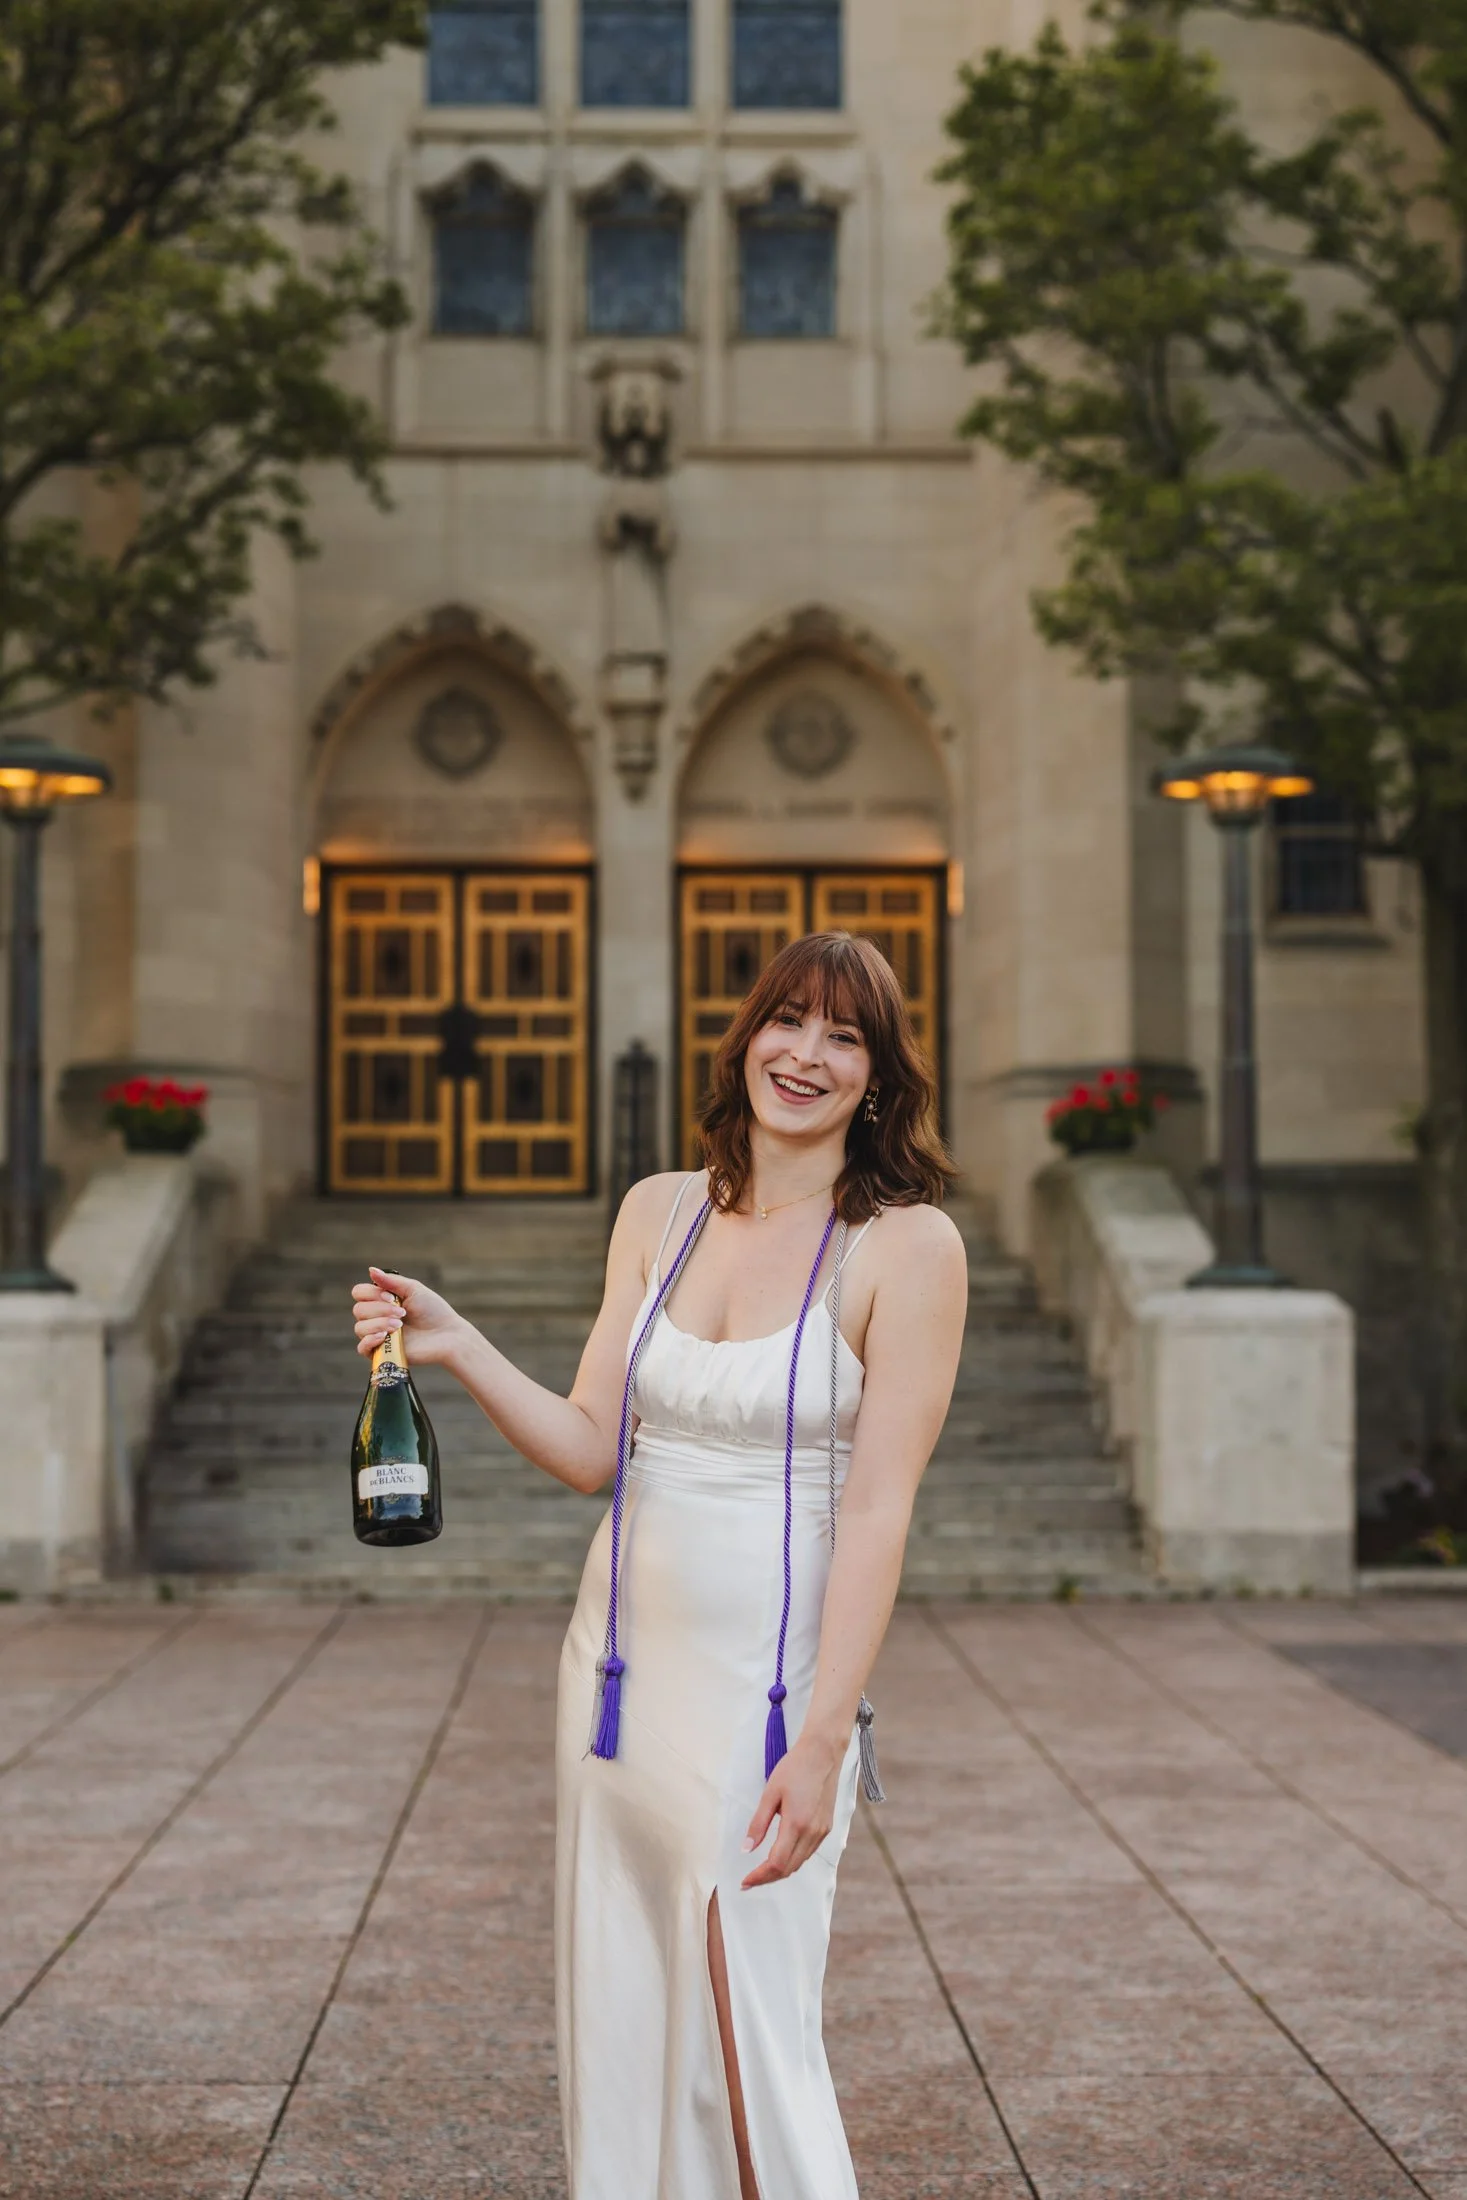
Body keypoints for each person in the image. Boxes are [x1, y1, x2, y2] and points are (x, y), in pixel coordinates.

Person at [351, 931, 968, 2200]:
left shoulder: (908, 1247)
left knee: (752, 2012)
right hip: (619, 1671)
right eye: (787, 1020)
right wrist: (458, 1344)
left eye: (844, 1036)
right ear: (745, 1037)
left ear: (880, 1075)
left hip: (770, 1691)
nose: (806, 1054)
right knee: (626, 1995)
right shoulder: (658, 1210)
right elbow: (593, 1446)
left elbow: (878, 1509)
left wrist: (825, 1739)